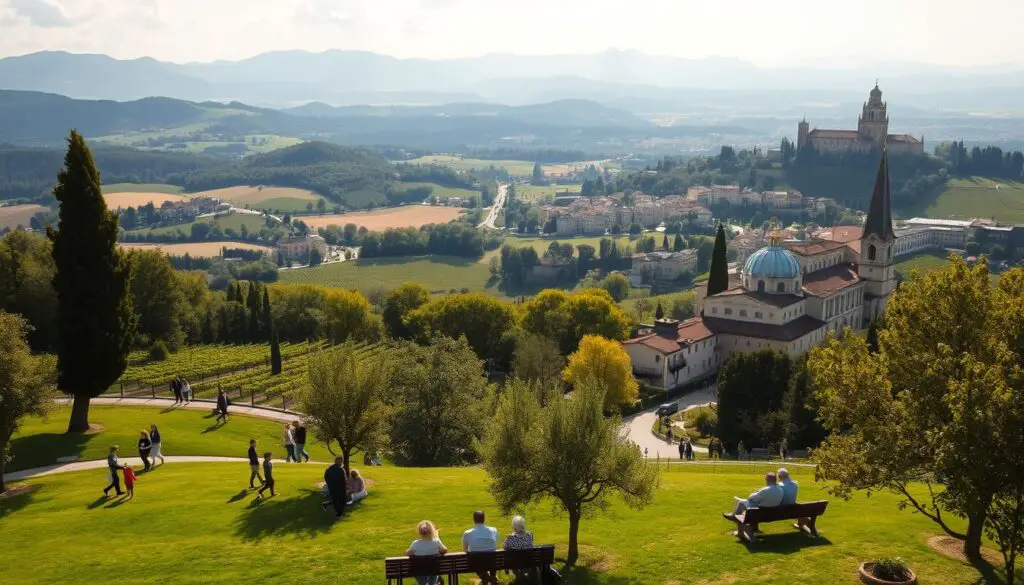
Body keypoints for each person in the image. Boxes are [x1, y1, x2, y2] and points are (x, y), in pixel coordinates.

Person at [462, 510, 499, 585]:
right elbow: (494, 544)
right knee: (491, 557)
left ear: (474, 520)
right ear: (484, 519)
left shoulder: (467, 533)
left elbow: (465, 550)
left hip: (476, 564)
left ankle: (487, 579)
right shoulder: (494, 530)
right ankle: (491, 578)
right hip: (492, 562)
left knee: (476, 560)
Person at [406, 520, 447, 585]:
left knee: (420, 572)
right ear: (432, 531)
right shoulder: (436, 542)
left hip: (419, 571)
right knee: (434, 571)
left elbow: (408, 553)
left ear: (419, 532)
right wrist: (437, 537)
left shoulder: (415, 543)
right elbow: (444, 550)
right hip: (433, 570)